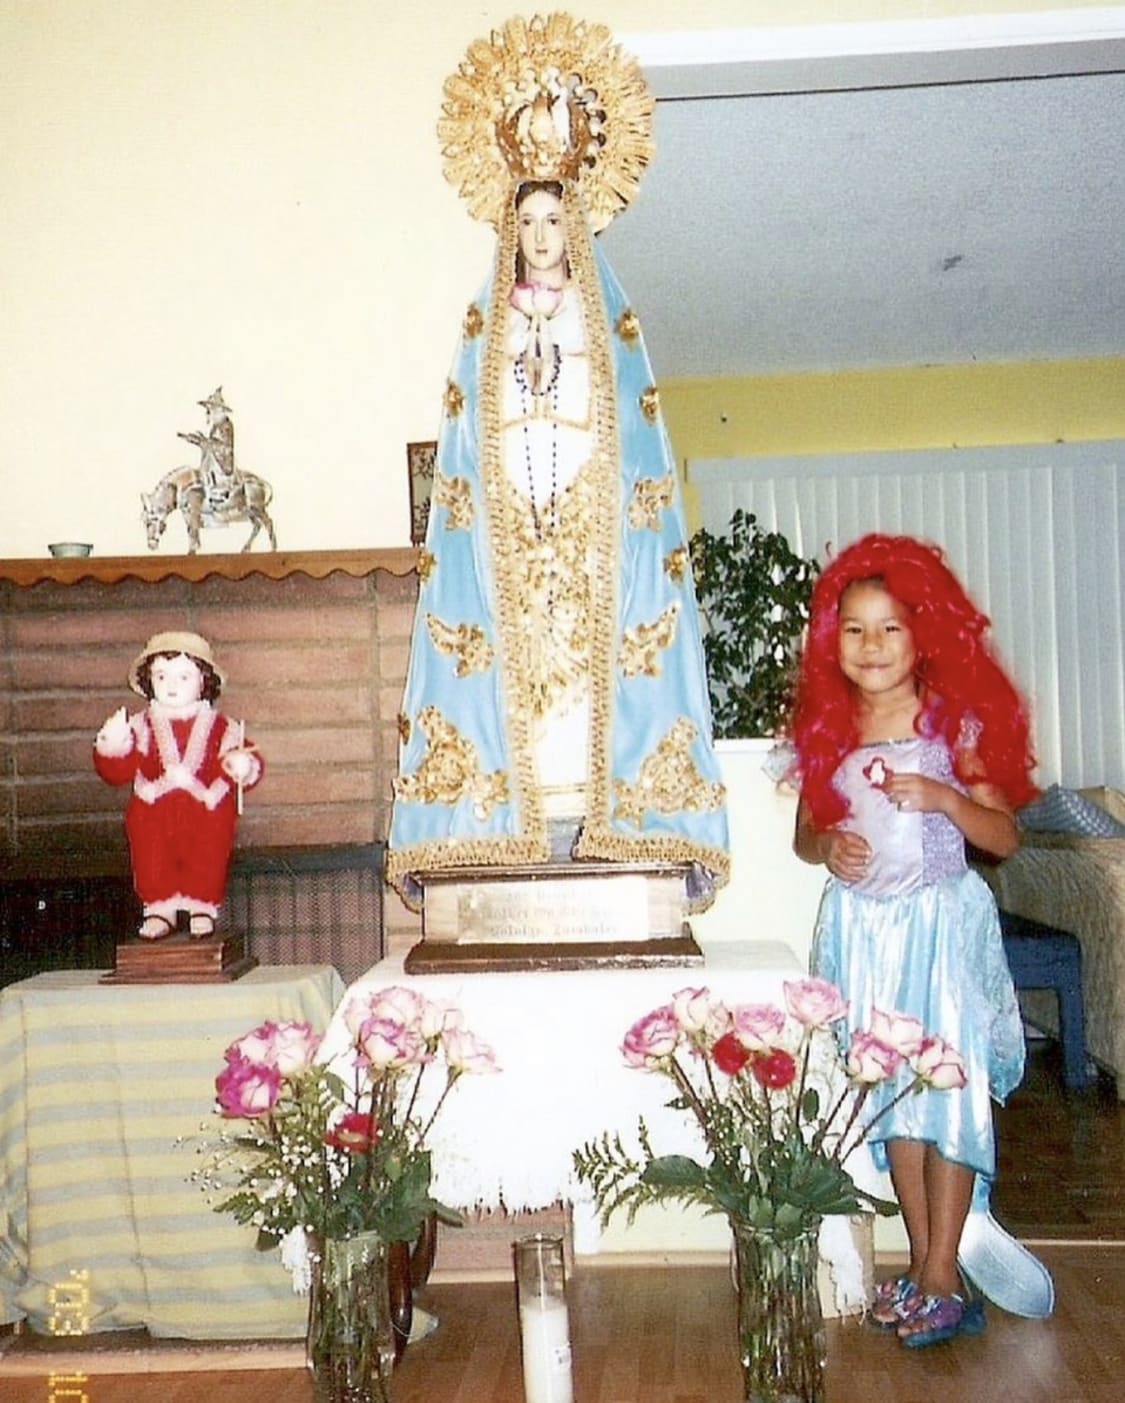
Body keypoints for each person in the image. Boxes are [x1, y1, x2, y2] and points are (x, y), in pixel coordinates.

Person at [386, 16, 728, 910]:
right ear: (511, 227)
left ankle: (604, 827)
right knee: (521, 688)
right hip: (514, 544)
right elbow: (472, 451)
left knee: (587, 684)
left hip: (584, 541)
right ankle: (509, 836)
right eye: (526, 219)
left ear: (575, 223)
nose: (540, 235)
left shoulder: (605, 326)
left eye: (552, 218)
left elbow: (628, 446)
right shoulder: (486, 329)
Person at [789, 533, 1051, 1345]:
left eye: (890, 628)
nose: (870, 646)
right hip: (863, 933)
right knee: (892, 1095)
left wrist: (942, 796)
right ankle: (922, 1259)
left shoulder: (950, 721)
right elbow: (806, 834)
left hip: (940, 928)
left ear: (924, 632)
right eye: (854, 629)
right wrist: (828, 847)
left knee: (949, 1090)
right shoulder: (830, 726)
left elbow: (1002, 837)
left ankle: (945, 1270)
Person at [93, 631, 262, 939]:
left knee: (207, 853)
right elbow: (117, 772)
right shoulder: (138, 725)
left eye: (183, 677)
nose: (171, 685)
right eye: (161, 676)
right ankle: (160, 908)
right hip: (153, 812)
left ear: (203, 682)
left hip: (207, 810)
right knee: (152, 857)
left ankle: (202, 906)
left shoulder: (222, 726)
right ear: (148, 681)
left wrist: (243, 766)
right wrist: (113, 745)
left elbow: (245, 759)